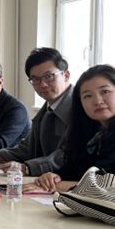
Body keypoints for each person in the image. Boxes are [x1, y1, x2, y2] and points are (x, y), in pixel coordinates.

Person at [0, 48, 72, 175]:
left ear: (66, 75)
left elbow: (68, 154)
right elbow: (29, 147)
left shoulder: (81, 108)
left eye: (48, 77)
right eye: (35, 79)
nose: (43, 84)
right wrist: (1, 155)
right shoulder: (48, 109)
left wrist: (28, 168)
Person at [27, 64, 115, 193]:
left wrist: (58, 186)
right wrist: (53, 178)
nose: (97, 101)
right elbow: (72, 171)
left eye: (105, 92)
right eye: (87, 96)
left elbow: (108, 186)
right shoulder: (92, 136)